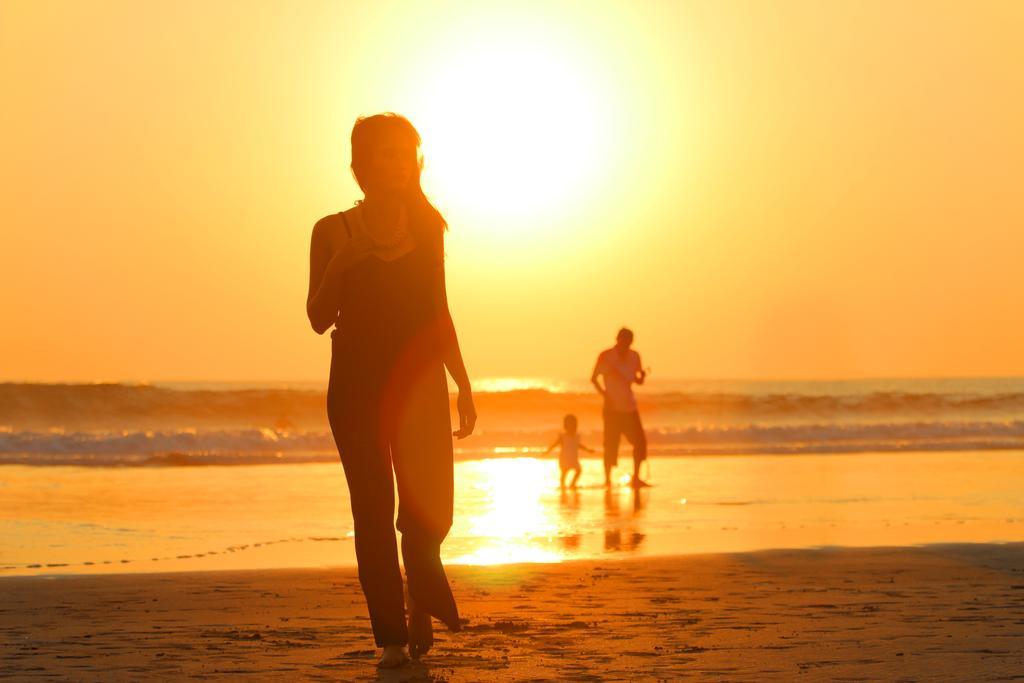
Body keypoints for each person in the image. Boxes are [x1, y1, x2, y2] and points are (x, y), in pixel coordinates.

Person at [306, 113, 476, 669]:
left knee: (430, 508)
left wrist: (463, 381)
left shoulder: (428, 228)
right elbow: (316, 316)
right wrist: (340, 267)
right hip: (356, 383)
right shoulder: (331, 231)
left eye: (406, 152)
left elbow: (439, 310)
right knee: (373, 510)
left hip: (421, 381)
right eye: (385, 153)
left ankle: (419, 589)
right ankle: (393, 638)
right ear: (359, 165)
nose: (398, 163)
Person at [591, 327, 648, 488]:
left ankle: (636, 477)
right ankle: (607, 480)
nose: (626, 344)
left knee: (640, 442)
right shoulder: (606, 356)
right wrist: (605, 395)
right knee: (610, 444)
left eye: (629, 342)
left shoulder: (634, 356)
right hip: (611, 408)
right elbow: (593, 378)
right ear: (617, 340)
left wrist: (641, 377)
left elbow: (638, 381)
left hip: (630, 406)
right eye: (624, 341)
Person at [545, 414, 594, 489]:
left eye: (574, 425)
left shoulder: (576, 436)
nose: (573, 427)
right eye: (570, 425)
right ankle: (562, 485)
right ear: (566, 426)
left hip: (573, 458)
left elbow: (578, 445)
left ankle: (572, 484)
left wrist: (588, 450)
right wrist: (547, 452)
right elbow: (554, 444)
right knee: (564, 472)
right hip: (565, 458)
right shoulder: (563, 437)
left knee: (578, 471)